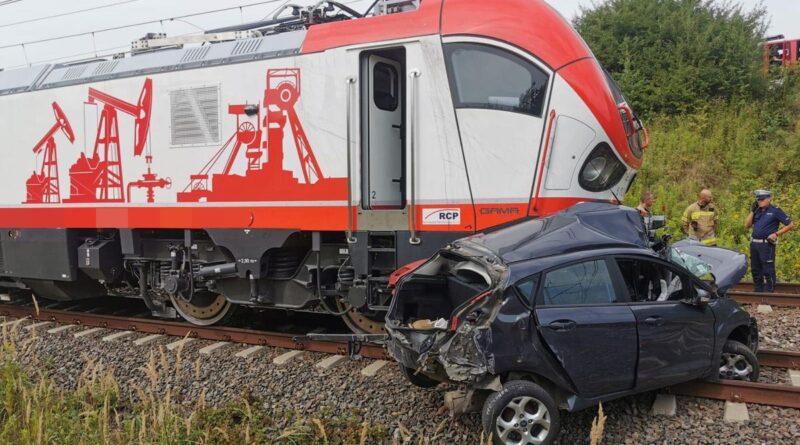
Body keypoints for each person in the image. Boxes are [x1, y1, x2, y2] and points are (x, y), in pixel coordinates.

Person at [745, 190, 794, 293]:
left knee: (767, 269)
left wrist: (776, 234)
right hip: (754, 244)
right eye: (758, 200)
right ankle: (758, 291)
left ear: (769, 199)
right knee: (755, 269)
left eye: (762, 199)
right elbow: (747, 225)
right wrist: (752, 211)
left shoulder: (775, 211)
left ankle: (769, 293)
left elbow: (790, 225)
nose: (760, 201)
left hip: (766, 244)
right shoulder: (757, 211)